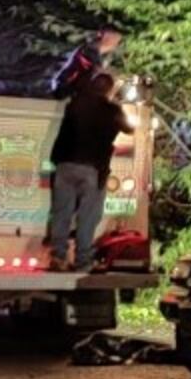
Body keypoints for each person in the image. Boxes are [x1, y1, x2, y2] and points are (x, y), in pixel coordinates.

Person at [48, 70, 132, 273]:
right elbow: (130, 129)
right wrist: (118, 106)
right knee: (88, 216)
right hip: (92, 169)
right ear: (109, 91)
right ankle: (82, 260)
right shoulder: (111, 110)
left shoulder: (75, 103)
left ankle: (58, 257)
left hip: (65, 164)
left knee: (61, 213)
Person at [47, 28, 125, 100]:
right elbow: (91, 76)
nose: (115, 46)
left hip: (65, 91)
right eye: (115, 41)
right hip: (64, 92)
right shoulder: (89, 54)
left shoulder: (91, 52)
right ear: (107, 39)